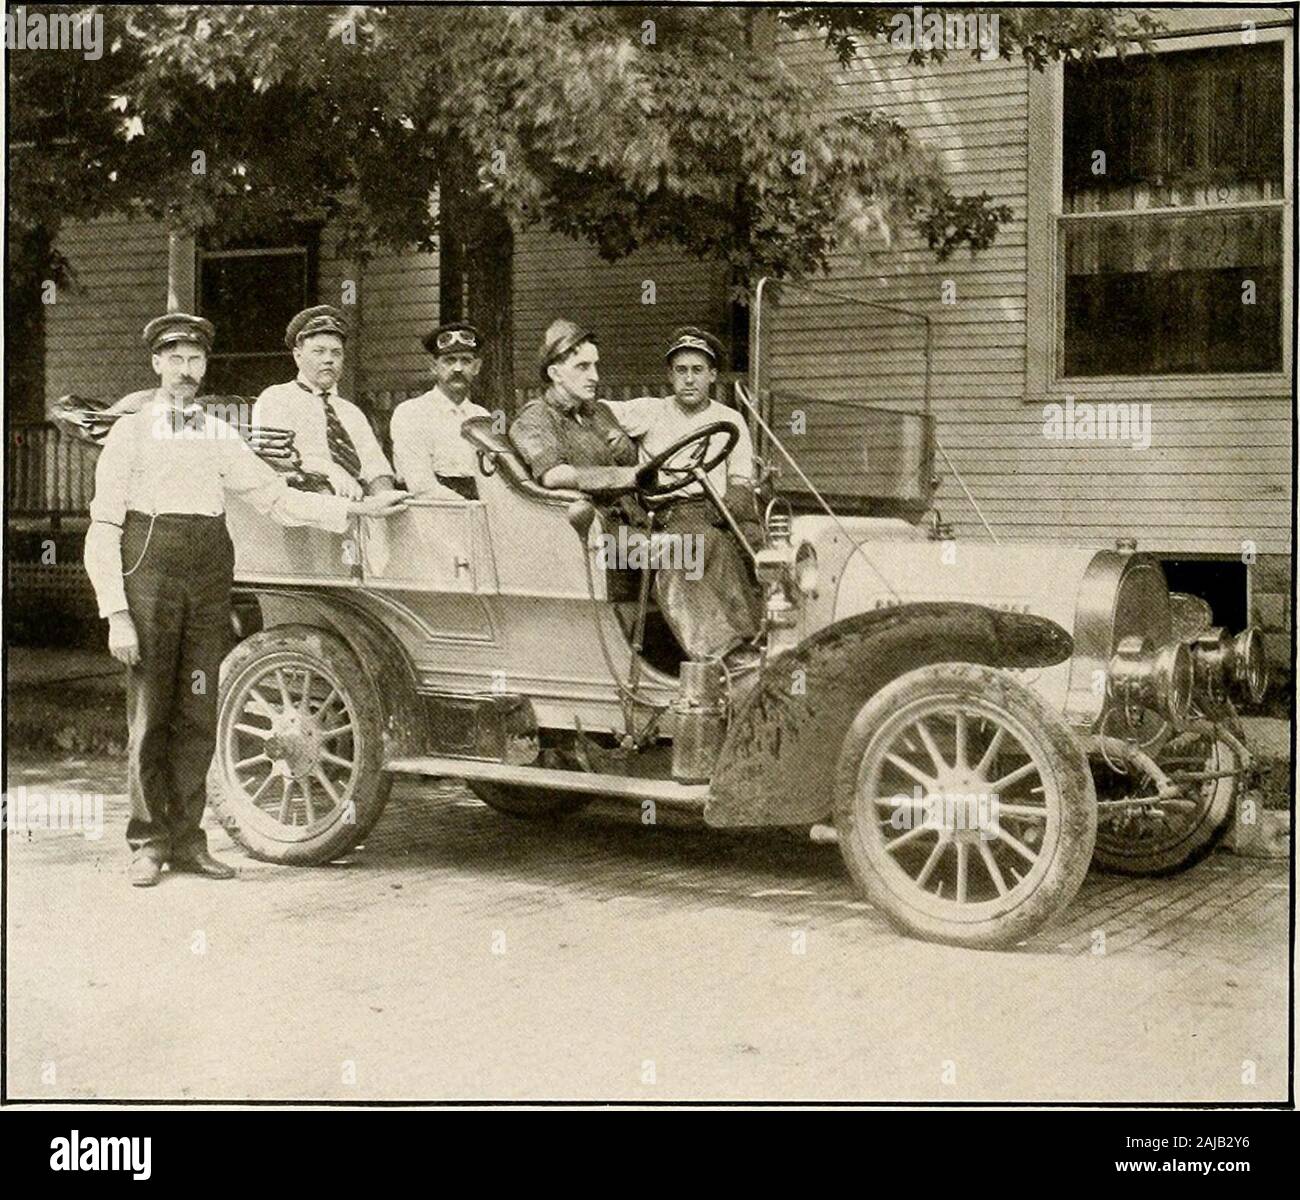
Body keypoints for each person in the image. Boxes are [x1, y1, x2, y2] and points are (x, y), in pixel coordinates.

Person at [84, 313, 409, 888]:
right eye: (175, 359)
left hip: (210, 573)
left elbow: (274, 498)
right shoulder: (130, 432)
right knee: (150, 715)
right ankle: (148, 842)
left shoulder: (219, 435)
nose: (186, 371)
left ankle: (188, 841)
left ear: (205, 367)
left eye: (196, 360)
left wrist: (355, 512)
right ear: (157, 364)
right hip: (149, 572)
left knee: (198, 710)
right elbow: (104, 525)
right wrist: (116, 613)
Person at [606, 327, 763, 663]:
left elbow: (740, 482)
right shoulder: (650, 411)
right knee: (695, 547)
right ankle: (723, 651)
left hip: (716, 509)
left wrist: (732, 516)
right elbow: (597, 409)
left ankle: (751, 639)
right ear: (670, 375)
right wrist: (616, 438)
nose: (689, 380)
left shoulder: (729, 419)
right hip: (663, 514)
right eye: (681, 371)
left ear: (712, 376)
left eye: (697, 371)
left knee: (727, 543)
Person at [252, 305, 396, 501]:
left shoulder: (351, 412)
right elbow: (277, 458)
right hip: (307, 507)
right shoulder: (276, 398)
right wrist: (330, 470)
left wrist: (384, 497)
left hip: (360, 508)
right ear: (298, 355)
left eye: (336, 353)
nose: (329, 359)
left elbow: (376, 467)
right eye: (319, 351)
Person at [508, 318, 637, 489]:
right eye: (583, 367)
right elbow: (553, 475)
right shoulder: (535, 417)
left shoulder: (598, 412)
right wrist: (624, 476)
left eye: (594, 366)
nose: (595, 377)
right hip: (581, 514)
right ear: (555, 374)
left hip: (629, 512)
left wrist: (625, 449)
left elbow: (629, 461)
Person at [390, 322, 493, 499]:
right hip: (432, 512)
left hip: (479, 508)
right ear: (433, 366)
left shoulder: (483, 417)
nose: (458, 368)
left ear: (476, 367)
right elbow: (421, 486)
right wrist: (471, 509)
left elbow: (493, 477)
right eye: (449, 360)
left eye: (466, 361)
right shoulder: (411, 413)